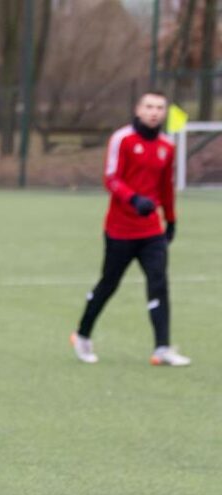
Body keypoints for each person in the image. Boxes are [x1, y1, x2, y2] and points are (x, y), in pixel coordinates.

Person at [70, 91, 191, 367]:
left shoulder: (167, 146)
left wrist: (171, 220)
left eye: (159, 108)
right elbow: (111, 178)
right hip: (120, 229)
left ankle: (162, 348)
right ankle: (82, 335)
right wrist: (134, 199)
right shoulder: (122, 139)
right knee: (108, 284)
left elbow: (166, 187)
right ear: (138, 109)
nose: (154, 112)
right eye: (149, 106)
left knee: (158, 282)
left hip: (152, 231)